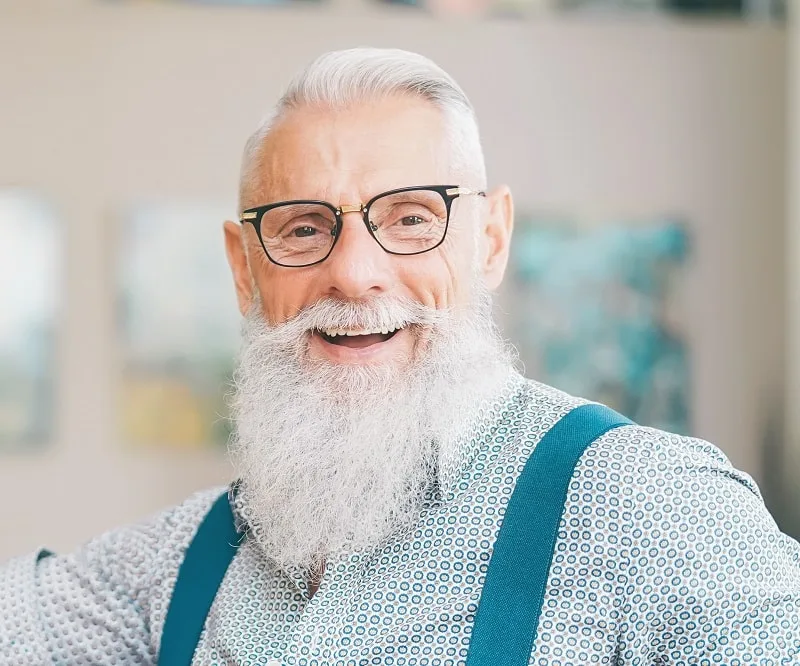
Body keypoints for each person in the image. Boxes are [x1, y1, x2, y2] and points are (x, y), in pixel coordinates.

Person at [2, 47, 799, 666]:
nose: (352, 273)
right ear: (245, 267)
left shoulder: (650, 508)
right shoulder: (177, 566)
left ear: (489, 239)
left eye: (412, 217)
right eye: (303, 228)